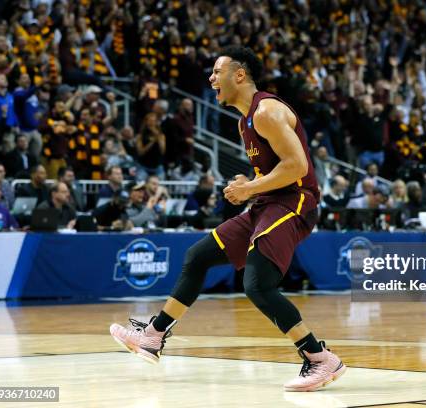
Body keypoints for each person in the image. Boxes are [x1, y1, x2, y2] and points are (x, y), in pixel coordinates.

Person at [110, 46, 346, 392]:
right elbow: (271, 169)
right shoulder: (243, 121)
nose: (211, 78)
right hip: (268, 202)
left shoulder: (266, 111)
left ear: (239, 74)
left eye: (217, 72)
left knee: (258, 284)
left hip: (295, 202)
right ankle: (154, 335)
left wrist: (250, 188)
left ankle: (319, 358)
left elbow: (297, 167)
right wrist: (250, 183)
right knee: (198, 257)